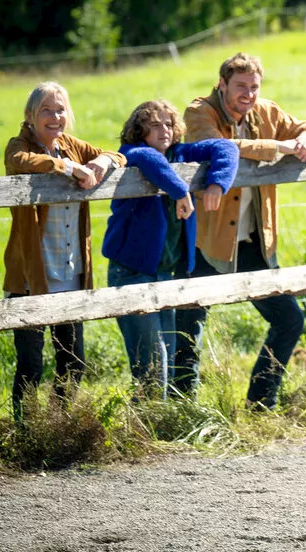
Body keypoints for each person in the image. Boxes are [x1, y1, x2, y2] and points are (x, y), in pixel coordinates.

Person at [184, 52, 306, 410]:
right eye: (240, 86)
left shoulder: (266, 111)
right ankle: (182, 405)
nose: (248, 94)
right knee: (188, 321)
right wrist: (279, 147)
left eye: (254, 87)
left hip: (252, 241)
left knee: (289, 318)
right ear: (222, 84)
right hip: (206, 238)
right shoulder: (199, 112)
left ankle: (261, 402)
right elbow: (222, 147)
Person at [2, 82, 126, 420]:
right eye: (47, 110)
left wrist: (100, 162)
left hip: (71, 273)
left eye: (60, 109)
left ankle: (62, 425)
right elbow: (21, 160)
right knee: (30, 365)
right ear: (30, 116)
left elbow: (118, 154)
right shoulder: (20, 145)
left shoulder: (71, 145)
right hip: (32, 275)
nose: (56, 117)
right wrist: (71, 168)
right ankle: (26, 432)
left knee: (73, 361)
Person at [103, 100, 238, 399]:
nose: (164, 130)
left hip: (166, 273)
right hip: (132, 272)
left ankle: (156, 426)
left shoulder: (180, 154)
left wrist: (216, 184)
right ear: (139, 130)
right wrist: (181, 192)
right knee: (151, 362)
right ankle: (146, 432)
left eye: (168, 123)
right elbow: (148, 159)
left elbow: (228, 149)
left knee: (167, 353)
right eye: (154, 125)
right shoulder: (130, 155)